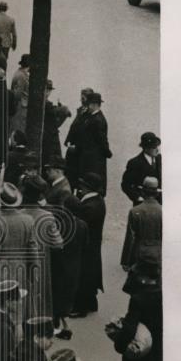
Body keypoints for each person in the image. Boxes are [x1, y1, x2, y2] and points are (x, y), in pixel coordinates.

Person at [72, 172, 106, 317]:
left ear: (86, 188)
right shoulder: (97, 201)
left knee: (84, 275)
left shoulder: (89, 207)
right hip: (94, 245)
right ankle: (91, 303)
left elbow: (80, 226)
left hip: (87, 245)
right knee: (91, 273)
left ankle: (81, 308)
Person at [72, 91, 112, 195]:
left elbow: (102, 140)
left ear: (95, 105)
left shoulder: (98, 120)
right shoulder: (93, 117)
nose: (87, 107)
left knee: (92, 180)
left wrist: (107, 153)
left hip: (94, 159)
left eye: (89, 104)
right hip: (90, 157)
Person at [120, 177, 162, 270]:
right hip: (159, 254)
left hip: (140, 255)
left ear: (142, 192)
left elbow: (130, 237)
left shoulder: (135, 211)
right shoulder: (163, 211)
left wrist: (125, 261)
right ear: (157, 193)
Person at [121, 131, 161, 204]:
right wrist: (137, 197)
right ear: (145, 148)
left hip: (160, 203)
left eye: (157, 146)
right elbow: (126, 185)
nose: (157, 149)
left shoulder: (161, 160)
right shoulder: (135, 163)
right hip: (143, 204)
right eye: (153, 147)